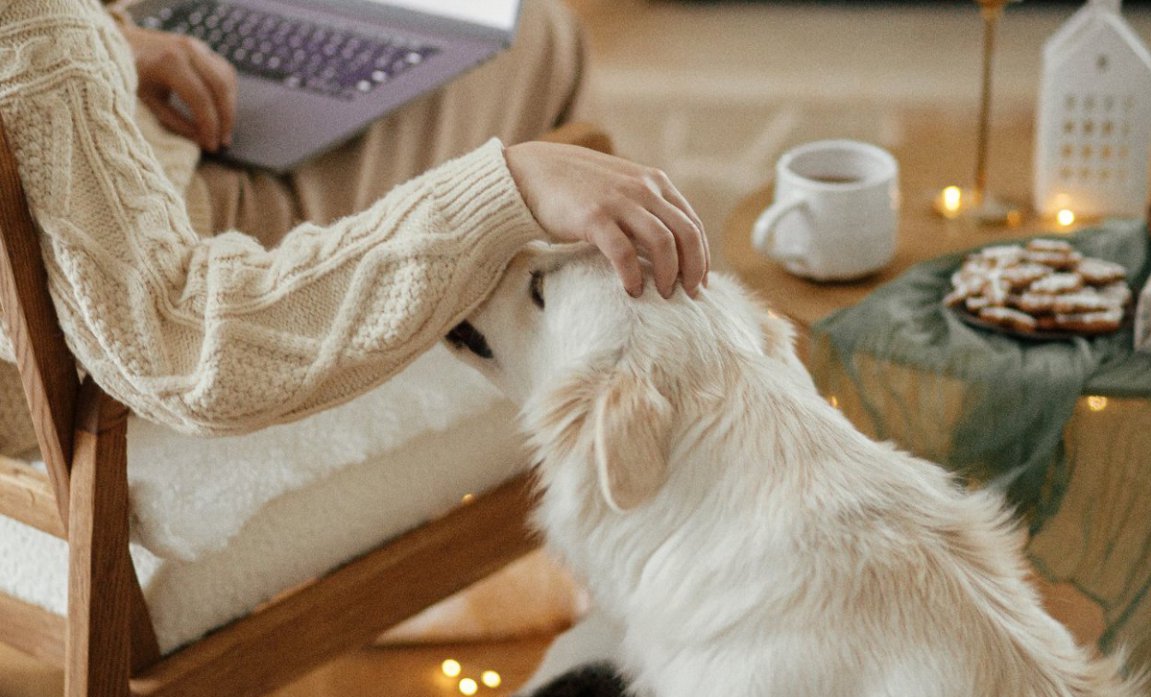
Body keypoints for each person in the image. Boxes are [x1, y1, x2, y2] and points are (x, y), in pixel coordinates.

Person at [0, 0, 708, 447]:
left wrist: (114, 40)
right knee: (542, 36)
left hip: (135, 132)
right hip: (185, 241)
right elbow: (181, 347)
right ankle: (534, 479)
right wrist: (507, 187)